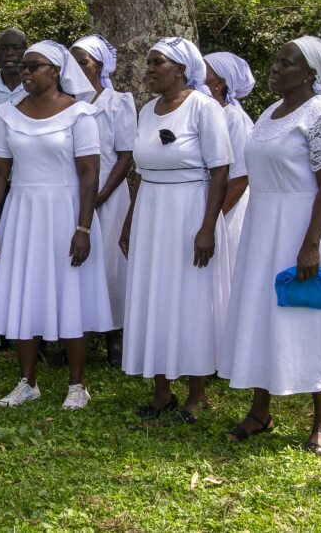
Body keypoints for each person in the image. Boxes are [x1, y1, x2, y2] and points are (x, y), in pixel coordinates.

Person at [219, 36, 321, 456]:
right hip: (264, 226)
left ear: (310, 74)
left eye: (286, 63)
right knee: (263, 313)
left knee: (308, 313)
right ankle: (260, 411)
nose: (274, 69)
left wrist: (310, 244)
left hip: (303, 226)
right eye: (276, 61)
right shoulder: (269, 113)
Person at [0, 41, 112, 410]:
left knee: (71, 292)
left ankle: (77, 384)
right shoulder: (8, 114)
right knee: (26, 291)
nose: (27, 72)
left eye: (35, 66)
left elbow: (89, 174)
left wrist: (83, 228)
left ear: (57, 71)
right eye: (24, 68)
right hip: (23, 213)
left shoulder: (80, 114)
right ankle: (28, 382)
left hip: (66, 211)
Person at [120, 36, 233, 423]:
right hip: (151, 210)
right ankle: (161, 391)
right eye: (148, 63)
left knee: (190, 297)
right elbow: (142, 171)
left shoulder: (204, 108)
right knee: (154, 293)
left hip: (189, 209)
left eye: (157, 63)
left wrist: (207, 228)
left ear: (181, 69)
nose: (149, 70)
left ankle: (197, 393)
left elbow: (220, 171)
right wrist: (130, 220)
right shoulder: (147, 110)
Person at [70, 34, 135, 367]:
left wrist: (102, 195)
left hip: (108, 194)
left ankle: (115, 338)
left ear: (99, 65)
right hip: (77, 194)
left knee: (110, 264)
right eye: (74, 62)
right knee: (78, 262)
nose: (79, 68)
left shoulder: (117, 101)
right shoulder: (66, 101)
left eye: (84, 61)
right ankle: (76, 334)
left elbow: (125, 156)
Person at [204, 52, 256, 272]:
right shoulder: (204, 114)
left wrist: (212, 222)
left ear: (219, 83)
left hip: (228, 211)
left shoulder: (234, 118)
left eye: (203, 74)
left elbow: (240, 178)